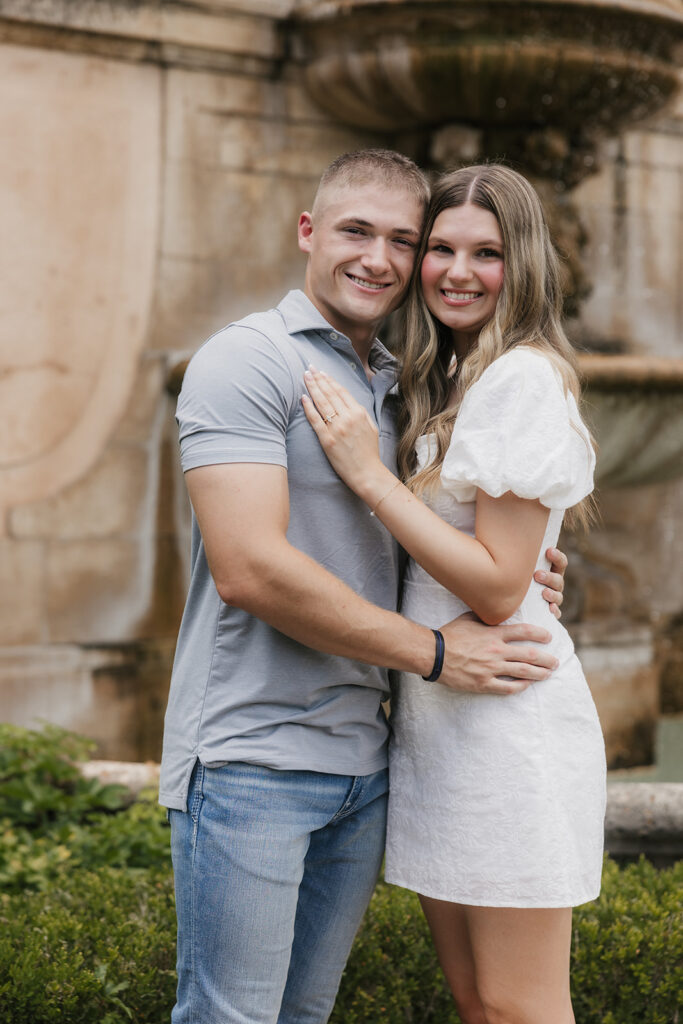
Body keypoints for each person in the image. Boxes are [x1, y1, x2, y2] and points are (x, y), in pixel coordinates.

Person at [159, 150, 569, 1024]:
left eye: (400, 239)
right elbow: (248, 569)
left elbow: (450, 541)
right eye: (356, 231)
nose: (380, 259)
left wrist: (524, 575)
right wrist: (432, 650)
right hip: (253, 758)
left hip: (367, 759)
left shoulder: (395, 382)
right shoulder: (247, 361)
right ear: (308, 231)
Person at [302, 163, 606, 1024]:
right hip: (445, 727)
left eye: (487, 252)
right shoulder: (455, 375)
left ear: (527, 263)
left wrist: (370, 475)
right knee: (479, 1004)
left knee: (519, 1007)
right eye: (440, 248)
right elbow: (494, 558)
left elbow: (502, 589)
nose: (456, 272)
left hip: (508, 727)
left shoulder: (519, 377)